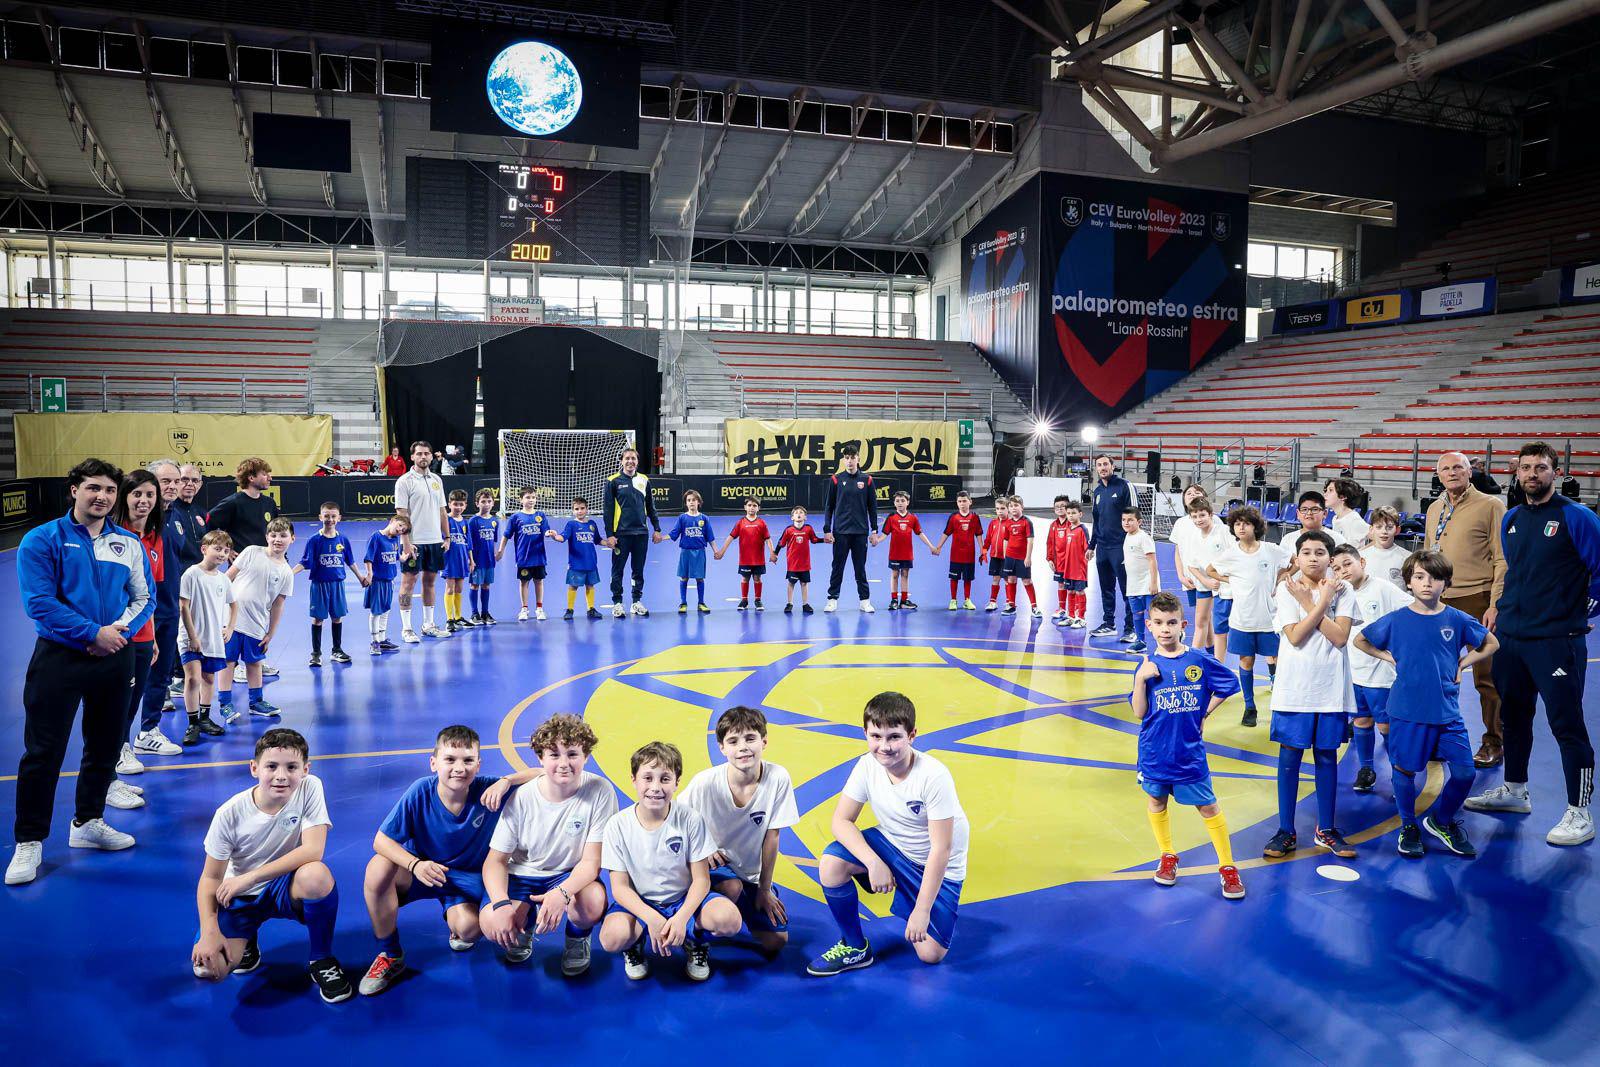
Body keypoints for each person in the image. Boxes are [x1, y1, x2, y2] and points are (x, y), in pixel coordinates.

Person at [8, 459, 155, 886]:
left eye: (110, 490)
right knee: (44, 751)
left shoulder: (127, 542)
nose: (102, 497)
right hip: (59, 657)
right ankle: (30, 841)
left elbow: (143, 596)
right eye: (93, 488)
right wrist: (93, 633)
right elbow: (40, 603)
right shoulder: (42, 539)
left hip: (116, 653)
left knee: (106, 743)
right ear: (74, 490)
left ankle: (87, 823)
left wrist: (117, 632)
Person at [1465, 442, 1600, 846]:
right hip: (1512, 639)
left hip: (1557, 642)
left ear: (1555, 473)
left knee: (1567, 726)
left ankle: (1580, 812)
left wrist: (1573, 615)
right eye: (1525, 468)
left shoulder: (1578, 517)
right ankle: (1515, 791)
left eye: (1541, 467)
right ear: (1517, 472)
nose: (1532, 474)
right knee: (1515, 718)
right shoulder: (1511, 519)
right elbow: (1518, 575)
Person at [358, 724, 535, 995]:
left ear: (478, 764)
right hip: (426, 872)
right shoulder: (420, 792)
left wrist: (507, 780)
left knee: (470, 930)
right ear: (433, 763)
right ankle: (390, 954)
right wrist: (415, 864)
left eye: (468, 760)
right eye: (449, 759)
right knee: (378, 867)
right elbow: (380, 840)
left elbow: (546, 773)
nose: (459, 768)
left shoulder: (489, 790)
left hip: (468, 880)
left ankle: (458, 922)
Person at [808, 692, 968, 974]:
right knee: (831, 864)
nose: (884, 746)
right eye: (876, 736)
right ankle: (855, 947)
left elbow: (941, 849)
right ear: (865, 734)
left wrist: (921, 910)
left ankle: (914, 903)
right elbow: (841, 821)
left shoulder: (934, 776)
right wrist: (874, 862)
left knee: (930, 954)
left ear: (912, 735)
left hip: (933, 861)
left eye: (894, 736)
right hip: (894, 844)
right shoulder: (867, 765)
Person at [190, 728, 351, 1004]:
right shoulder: (229, 814)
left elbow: (314, 850)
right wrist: (209, 931)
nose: (281, 775)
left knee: (316, 875)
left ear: (305, 769)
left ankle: (321, 958)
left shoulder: (310, 787)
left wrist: (250, 878)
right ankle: (246, 936)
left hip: (282, 886)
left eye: (292, 767)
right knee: (209, 968)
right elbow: (209, 878)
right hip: (239, 895)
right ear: (254, 768)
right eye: (271, 766)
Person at [1356, 551, 1498, 859]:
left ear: (1445, 584)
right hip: (1407, 711)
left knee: (1464, 774)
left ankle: (1440, 821)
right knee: (1404, 770)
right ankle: (1408, 825)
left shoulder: (1457, 619)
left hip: (1447, 713)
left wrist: (1464, 664)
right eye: (1419, 576)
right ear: (1408, 582)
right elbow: (1361, 641)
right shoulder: (1395, 620)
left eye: (1434, 578)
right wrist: (1387, 656)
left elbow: (1491, 643)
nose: (1427, 583)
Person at [477, 715, 614, 977]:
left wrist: (562, 893)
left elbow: (591, 862)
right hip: (522, 875)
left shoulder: (599, 791)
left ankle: (577, 938)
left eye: (573, 754)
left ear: (586, 756)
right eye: (554, 755)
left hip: (566, 873)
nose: (564, 763)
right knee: (491, 922)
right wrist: (501, 904)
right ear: (541, 759)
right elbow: (495, 861)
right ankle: (524, 924)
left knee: (592, 902)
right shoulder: (522, 798)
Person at [1130, 591, 1246, 900]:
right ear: (1149, 625)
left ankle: (1227, 867)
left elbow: (1229, 684)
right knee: (1157, 802)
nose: (1165, 629)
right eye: (1158, 623)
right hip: (1154, 753)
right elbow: (1139, 712)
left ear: (1182, 624)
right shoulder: (1146, 665)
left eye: (1170, 623)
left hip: (1189, 754)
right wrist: (1140, 680)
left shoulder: (1198, 660)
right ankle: (1167, 855)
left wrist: (1205, 712)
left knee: (1208, 806)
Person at [599, 741, 739, 982]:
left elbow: (701, 880)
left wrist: (682, 916)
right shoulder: (617, 825)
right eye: (648, 778)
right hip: (641, 901)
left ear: (677, 782)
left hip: (682, 898)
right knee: (611, 938)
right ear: (633, 779)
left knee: (729, 920)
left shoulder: (690, 819)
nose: (655, 787)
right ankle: (634, 944)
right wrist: (651, 918)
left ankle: (695, 941)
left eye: (664, 779)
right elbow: (620, 888)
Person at [1261, 531, 1357, 861]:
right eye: (1306, 552)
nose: (1313, 557)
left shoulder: (1343, 590)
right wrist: (1314, 602)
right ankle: (1286, 829)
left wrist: (1311, 602)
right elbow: (1297, 635)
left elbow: (1341, 637)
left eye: (1320, 551)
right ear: (1297, 558)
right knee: (1289, 757)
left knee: (1327, 756)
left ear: (1330, 558)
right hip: (1294, 689)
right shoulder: (1287, 590)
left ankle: (1326, 828)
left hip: (1331, 689)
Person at [680, 707, 800, 957]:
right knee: (731, 887)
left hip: (749, 873)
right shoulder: (705, 783)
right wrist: (704, 849)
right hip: (713, 868)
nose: (743, 747)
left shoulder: (778, 778)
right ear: (722, 748)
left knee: (776, 940)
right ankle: (695, 936)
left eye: (750, 738)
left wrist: (765, 890)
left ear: (764, 741)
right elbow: (673, 820)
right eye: (733, 741)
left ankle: (740, 903)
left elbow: (772, 838)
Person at [1423, 450, 1507, 769]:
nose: (1452, 472)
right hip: (1441, 601)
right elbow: (1428, 555)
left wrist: (1495, 603)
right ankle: (1441, 738)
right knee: (1441, 675)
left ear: (1470, 472)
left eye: (1458, 467)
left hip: (1478, 598)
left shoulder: (1491, 505)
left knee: (1486, 677)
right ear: (1439, 475)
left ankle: (1494, 740)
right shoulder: (1434, 508)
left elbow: (1502, 558)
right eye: (1445, 468)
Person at [1330, 544, 1410, 795]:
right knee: (1362, 721)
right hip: (1353, 672)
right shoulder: (1337, 594)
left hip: (1381, 674)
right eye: (1337, 568)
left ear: (1361, 562)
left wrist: (1398, 648)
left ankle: (1399, 771)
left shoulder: (1382, 587)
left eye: (1347, 564)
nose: (1343, 571)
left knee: (1386, 726)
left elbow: (1411, 610)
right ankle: (1367, 769)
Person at [106, 470, 163, 812]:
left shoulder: (154, 537)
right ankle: (108, 775)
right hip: (115, 637)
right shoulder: (112, 535)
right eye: (137, 494)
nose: (143, 501)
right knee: (112, 708)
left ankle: (114, 765)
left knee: (130, 705)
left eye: (149, 495)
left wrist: (152, 636)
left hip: (143, 636)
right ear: (125, 496)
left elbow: (148, 595)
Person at [1207, 505, 1289, 728]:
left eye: (1246, 523)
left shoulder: (1271, 550)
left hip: (1269, 619)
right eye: (1237, 523)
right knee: (1246, 661)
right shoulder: (1230, 554)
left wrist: (1281, 578)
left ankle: (1280, 705)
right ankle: (1249, 706)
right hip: (1242, 620)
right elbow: (1210, 570)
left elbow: (1292, 562)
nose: (1241, 527)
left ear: (1256, 526)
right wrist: (1230, 580)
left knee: (1278, 660)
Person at [134, 459, 186, 757]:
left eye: (175, 481)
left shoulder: (176, 517)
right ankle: (118, 746)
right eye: (165, 481)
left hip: (170, 609)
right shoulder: (136, 522)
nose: (172, 487)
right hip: (142, 614)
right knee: (132, 681)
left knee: (161, 675)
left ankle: (148, 731)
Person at [220, 518, 294, 721]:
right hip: (231, 621)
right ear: (266, 537)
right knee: (228, 661)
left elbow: (278, 604)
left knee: (254, 664)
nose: (277, 539)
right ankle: (225, 703)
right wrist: (216, 606)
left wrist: (270, 633)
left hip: (257, 624)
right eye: (273, 535)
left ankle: (256, 701)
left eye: (283, 535)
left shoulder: (287, 573)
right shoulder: (252, 551)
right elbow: (228, 577)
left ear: (292, 539)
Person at [180, 531, 238, 745]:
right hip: (191, 637)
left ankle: (204, 719)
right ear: (204, 549)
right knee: (193, 678)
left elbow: (234, 604)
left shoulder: (223, 579)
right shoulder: (192, 574)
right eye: (217, 549)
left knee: (209, 678)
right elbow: (183, 606)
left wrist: (230, 628)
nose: (222, 554)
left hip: (214, 639)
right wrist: (193, 636)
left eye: (225, 550)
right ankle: (192, 722)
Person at [293, 501, 365, 666]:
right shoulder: (314, 540)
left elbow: (350, 561)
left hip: (337, 585)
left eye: (333, 516)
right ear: (320, 517)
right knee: (318, 619)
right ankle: (316, 654)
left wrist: (360, 577)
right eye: (326, 516)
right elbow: (305, 561)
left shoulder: (343, 539)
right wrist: (289, 574)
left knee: (337, 617)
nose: (330, 519)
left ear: (339, 518)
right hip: (319, 585)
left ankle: (336, 650)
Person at [395, 440, 450, 644]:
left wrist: (447, 536)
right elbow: (401, 514)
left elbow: (442, 511)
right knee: (408, 583)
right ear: (412, 457)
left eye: (427, 453)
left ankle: (428, 625)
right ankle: (407, 628)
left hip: (435, 541)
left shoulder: (436, 480)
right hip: (414, 542)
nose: (424, 457)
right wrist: (406, 542)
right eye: (419, 454)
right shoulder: (404, 481)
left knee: (430, 582)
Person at [602, 447, 665, 619]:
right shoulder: (613, 481)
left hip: (641, 534)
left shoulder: (644, 480)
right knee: (618, 570)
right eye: (627, 458)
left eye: (633, 459)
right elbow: (607, 511)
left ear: (637, 461)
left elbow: (651, 507)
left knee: (638, 570)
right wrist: (610, 535)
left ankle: (636, 601)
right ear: (621, 461)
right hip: (621, 535)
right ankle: (617, 603)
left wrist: (657, 528)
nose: (630, 461)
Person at [823, 446, 883, 613]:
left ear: (858, 459)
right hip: (840, 532)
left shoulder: (868, 480)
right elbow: (829, 506)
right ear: (843, 460)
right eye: (846, 457)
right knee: (837, 567)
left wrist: (874, 531)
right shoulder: (835, 479)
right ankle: (832, 599)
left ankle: (864, 601)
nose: (849, 460)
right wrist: (827, 529)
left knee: (860, 568)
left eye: (852, 457)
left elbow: (873, 507)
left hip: (860, 533)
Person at [1177, 497, 1236, 661]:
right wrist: (1206, 581)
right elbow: (1191, 565)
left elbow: (1235, 555)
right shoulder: (1194, 537)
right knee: (1201, 621)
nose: (1198, 520)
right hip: (1205, 583)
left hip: (1226, 586)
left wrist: (1223, 578)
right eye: (1194, 516)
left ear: (1211, 514)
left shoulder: (1223, 531)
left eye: (1202, 515)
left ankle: (1219, 661)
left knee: (1223, 626)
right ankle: (1193, 657)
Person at [1087, 455, 1136, 639]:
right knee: (1106, 587)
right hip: (1103, 548)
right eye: (1099, 465)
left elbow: (1135, 515)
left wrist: (1132, 544)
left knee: (1127, 589)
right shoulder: (1098, 491)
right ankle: (1109, 623)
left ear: (1113, 466)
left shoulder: (1125, 486)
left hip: (1121, 547)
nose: (1102, 468)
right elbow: (1096, 520)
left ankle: (1131, 629)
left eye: (1105, 464)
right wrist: (1092, 545)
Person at [1167, 484, 1214, 647]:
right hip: (1190, 579)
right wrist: (1181, 575)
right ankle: (1210, 655)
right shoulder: (1181, 523)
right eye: (1189, 493)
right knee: (1205, 620)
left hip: (1208, 579)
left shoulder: (1213, 523)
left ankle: (1196, 657)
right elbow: (1178, 552)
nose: (1192, 494)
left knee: (1202, 621)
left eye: (1197, 492)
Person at [499, 488, 554, 622]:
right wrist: (501, 550)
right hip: (523, 557)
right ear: (521, 500)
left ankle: (539, 608)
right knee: (524, 582)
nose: (531, 500)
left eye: (533, 497)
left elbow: (546, 530)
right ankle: (524, 609)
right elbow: (506, 535)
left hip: (539, 556)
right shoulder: (516, 517)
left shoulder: (541, 515)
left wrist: (549, 533)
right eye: (528, 497)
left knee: (539, 581)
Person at [206, 458, 278, 556]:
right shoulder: (232, 503)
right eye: (265, 474)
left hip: (267, 562)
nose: (270, 478)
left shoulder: (270, 503)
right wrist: (226, 549)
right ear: (251, 478)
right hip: (241, 566)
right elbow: (208, 525)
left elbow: (276, 532)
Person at [715, 496, 772, 612]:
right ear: (745, 507)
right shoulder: (740, 523)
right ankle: (744, 600)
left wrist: (772, 553)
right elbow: (731, 537)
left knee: (757, 578)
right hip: (745, 559)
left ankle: (758, 600)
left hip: (758, 559)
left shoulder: (762, 523)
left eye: (754, 506)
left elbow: (768, 539)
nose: (752, 508)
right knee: (745, 578)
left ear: (758, 508)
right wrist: (721, 551)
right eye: (749, 505)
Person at [882, 491, 937, 611]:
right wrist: (877, 540)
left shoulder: (913, 518)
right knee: (895, 574)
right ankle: (894, 600)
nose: (900, 503)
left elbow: (920, 533)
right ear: (894, 503)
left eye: (902, 501)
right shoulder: (891, 517)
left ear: (908, 502)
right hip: (895, 553)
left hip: (907, 553)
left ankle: (904, 601)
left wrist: (931, 546)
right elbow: (885, 534)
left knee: (905, 575)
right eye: (897, 501)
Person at [362, 514, 409, 655]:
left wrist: (404, 558)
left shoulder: (394, 540)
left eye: (403, 530)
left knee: (386, 610)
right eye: (400, 526)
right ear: (392, 521)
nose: (400, 530)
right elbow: (368, 558)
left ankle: (382, 640)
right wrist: (369, 574)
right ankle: (374, 642)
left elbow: (396, 556)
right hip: (377, 581)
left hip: (390, 581)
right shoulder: (376, 537)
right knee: (376, 611)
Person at [551, 497, 603, 621]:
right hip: (576, 563)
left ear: (587, 509)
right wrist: (554, 536)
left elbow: (598, 540)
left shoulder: (592, 524)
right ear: (573, 511)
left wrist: (609, 543)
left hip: (591, 562)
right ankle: (570, 609)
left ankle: (591, 609)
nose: (579, 511)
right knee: (573, 586)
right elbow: (562, 537)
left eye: (582, 508)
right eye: (576, 509)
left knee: (590, 585)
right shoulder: (571, 524)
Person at [933, 490, 986, 612]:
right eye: (960, 501)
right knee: (954, 578)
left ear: (970, 502)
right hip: (956, 554)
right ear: (957, 503)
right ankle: (953, 600)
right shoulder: (953, 517)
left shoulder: (975, 517)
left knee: (967, 578)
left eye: (964, 501)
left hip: (969, 554)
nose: (962, 504)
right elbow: (946, 533)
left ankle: (967, 600)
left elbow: (978, 534)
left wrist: (982, 550)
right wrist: (939, 547)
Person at [668, 491, 715, 614]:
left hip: (700, 552)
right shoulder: (682, 518)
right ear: (686, 503)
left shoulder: (704, 519)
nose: (691, 502)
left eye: (693, 500)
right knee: (684, 577)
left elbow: (710, 537)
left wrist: (717, 551)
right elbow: (674, 533)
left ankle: (701, 603)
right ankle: (683, 603)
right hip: (686, 552)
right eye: (688, 500)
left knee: (700, 578)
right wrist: (661, 538)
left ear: (698, 502)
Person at [1121, 507, 1159, 654]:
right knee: (1137, 613)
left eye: (1130, 520)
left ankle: (1161, 642)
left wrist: (1154, 583)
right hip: (1133, 585)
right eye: (1124, 520)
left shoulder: (1144, 537)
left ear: (1139, 521)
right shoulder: (1127, 536)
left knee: (1154, 614)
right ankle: (1140, 641)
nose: (1126, 523)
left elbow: (1152, 561)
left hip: (1147, 584)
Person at [773, 505, 822, 615]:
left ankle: (805, 604)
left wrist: (825, 540)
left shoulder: (808, 528)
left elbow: (814, 540)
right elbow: (781, 543)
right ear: (792, 517)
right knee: (791, 583)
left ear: (805, 517)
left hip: (805, 564)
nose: (799, 514)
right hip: (792, 564)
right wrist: (775, 554)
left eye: (801, 512)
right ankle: (789, 603)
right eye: (796, 512)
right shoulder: (788, 530)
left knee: (804, 583)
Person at [439, 490, 476, 632]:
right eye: (455, 504)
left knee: (459, 588)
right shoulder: (445, 520)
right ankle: (449, 619)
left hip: (462, 560)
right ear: (449, 504)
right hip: (449, 559)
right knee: (450, 588)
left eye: (461, 504)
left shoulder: (465, 522)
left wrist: (471, 560)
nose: (458, 507)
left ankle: (458, 617)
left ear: (465, 506)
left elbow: (469, 543)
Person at [1001, 495, 1042, 619]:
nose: (1013, 508)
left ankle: (1034, 607)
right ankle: (1011, 606)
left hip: (1022, 558)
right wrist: (1005, 557)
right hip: (1010, 557)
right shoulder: (1007, 523)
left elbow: (1030, 541)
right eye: (1011, 506)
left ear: (1022, 507)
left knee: (1026, 581)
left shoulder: (1026, 522)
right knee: (1011, 580)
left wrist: (1028, 557)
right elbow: (1006, 540)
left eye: (1016, 505)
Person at [1280, 491, 1350, 559]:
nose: (1309, 513)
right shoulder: (1288, 539)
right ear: (1298, 514)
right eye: (1304, 509)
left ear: (1325, 513)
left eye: (1315, 509)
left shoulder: (1337, 539)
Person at [466, 489, 501, 626]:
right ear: (477, 503)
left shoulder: (494, 521)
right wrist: (471, 560)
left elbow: (493, 540)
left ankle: (485, 612)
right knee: (474, 585)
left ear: (493, 503)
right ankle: (474, 614)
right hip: (476, 560)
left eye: (489, 501)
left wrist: (494, 554)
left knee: (486, 585)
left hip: (489, 560)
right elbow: (469, 542)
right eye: (483, 502)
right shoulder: (473, 521)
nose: (486, 504)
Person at [1361, 506, 1410, 589]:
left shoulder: (1407, 558)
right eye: (1379, 527)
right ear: (1371, 529)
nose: (1384, 531)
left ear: (1397, 530)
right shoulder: (1361, 556)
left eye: (1389, 527)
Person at [1324, 477, 1370, 546]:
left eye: (1330, 490)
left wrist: (1363, 551)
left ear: (1343, 496)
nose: (1325, 494)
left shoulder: (1354, 520)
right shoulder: (1335, 518)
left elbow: (1376, 538)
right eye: (1326, 491)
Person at [982, 496, 1008, 612]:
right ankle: (993, 602)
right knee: (995, 579)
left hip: (1007, 558)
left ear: (1008, 509)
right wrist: (984, 550)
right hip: (995, 556)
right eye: (997, 509)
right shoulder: (993, 523)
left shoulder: (1010, 524)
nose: (1000, 511)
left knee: (1008, 580)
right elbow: (988, 539)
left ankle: (1009, 603)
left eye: (1002, 508)